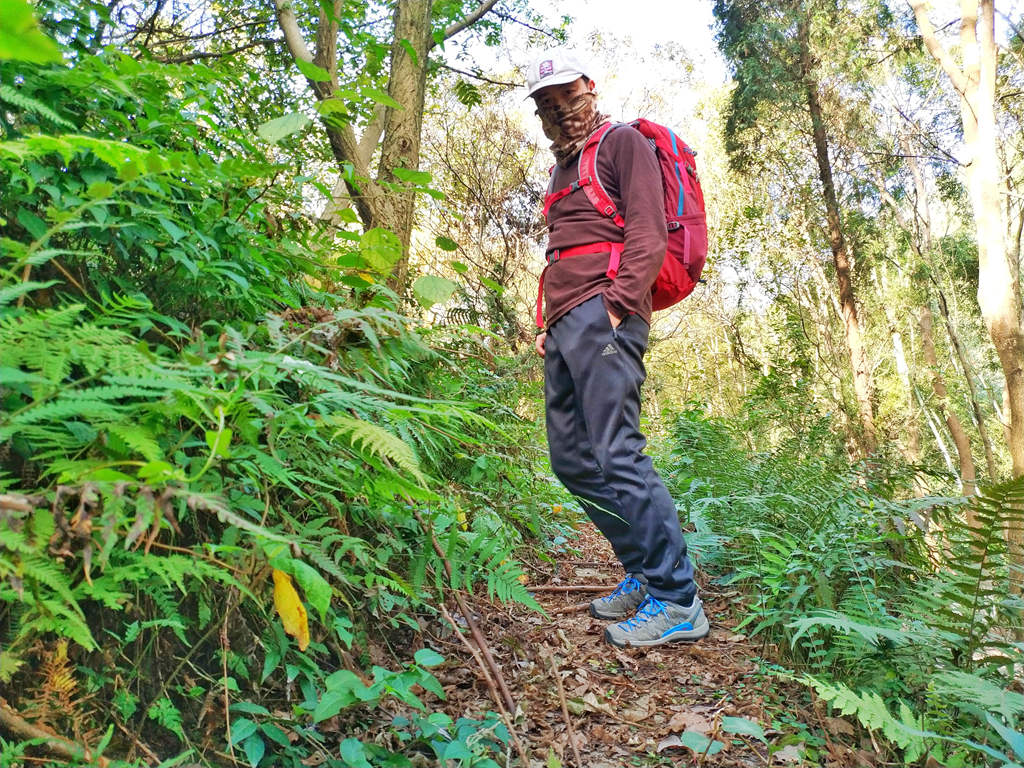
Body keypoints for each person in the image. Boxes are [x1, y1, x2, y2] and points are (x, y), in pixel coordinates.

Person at [527, 50, 709, 647]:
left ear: (590, 87)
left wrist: (617, 304)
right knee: (572, 460)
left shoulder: (623, 143)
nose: (559, 108)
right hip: (562, 323)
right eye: (545, 102)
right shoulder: (560, 168)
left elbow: (649, 232)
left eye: (566, 93)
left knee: (618, 452)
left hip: (604, 312)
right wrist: (551, 326)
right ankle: (644, 571)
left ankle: (678, 599)